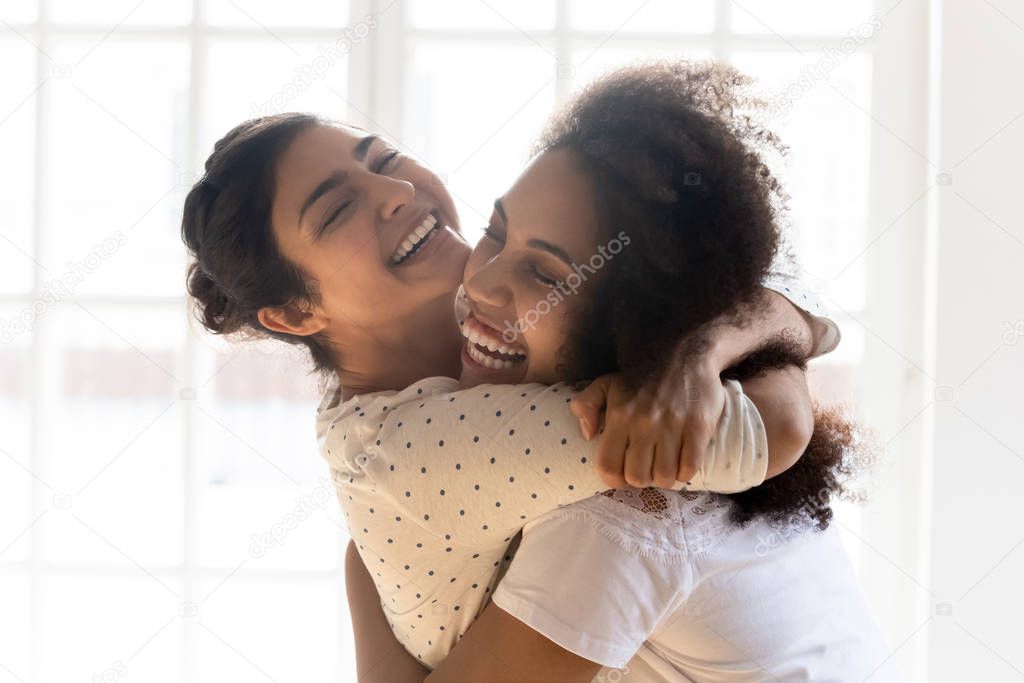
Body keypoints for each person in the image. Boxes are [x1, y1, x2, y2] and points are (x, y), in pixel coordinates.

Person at [180, 61, 850, 681]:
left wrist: (707, 345)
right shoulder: (432, 453)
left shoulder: (412, 440)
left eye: (383, 158)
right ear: (295, 313)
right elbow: (759, 429)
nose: (396, 191)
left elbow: (789, 308)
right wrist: (711, 350)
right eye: (336, 208)